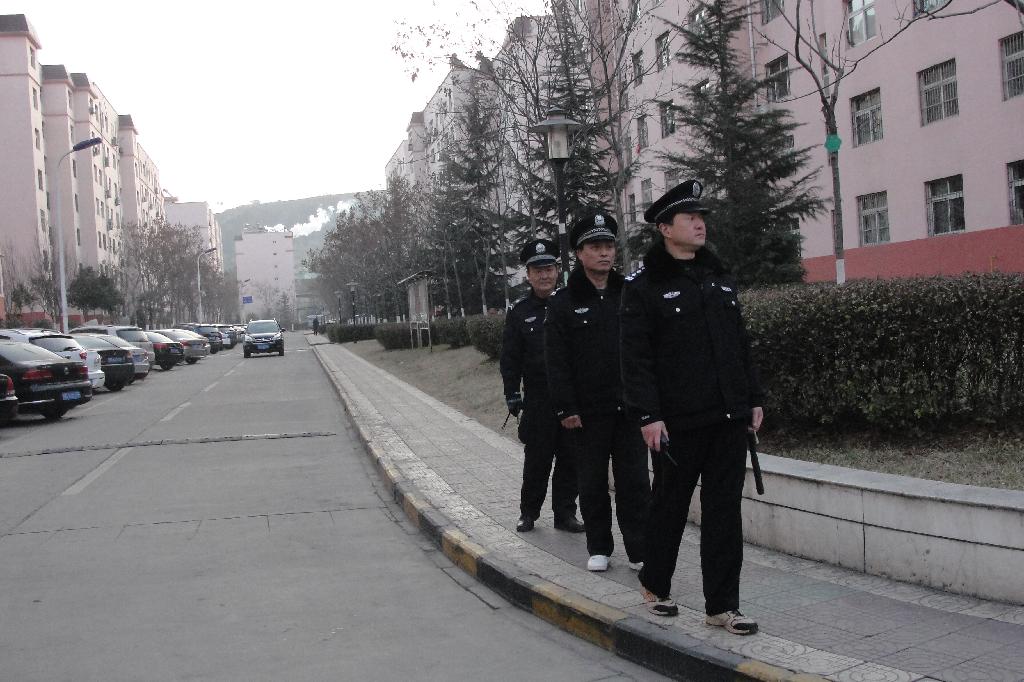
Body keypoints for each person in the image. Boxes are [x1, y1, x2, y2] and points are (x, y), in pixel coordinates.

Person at [620, 180, 764, 633]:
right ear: (665, 228)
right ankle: (655, 583)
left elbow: (739, 344)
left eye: (701, 217)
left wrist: (753, 398)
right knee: (670, 506)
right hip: (677, 422)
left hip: (727, 417)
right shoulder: (644, 287)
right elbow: (636, 359)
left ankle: (722, 606)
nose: (700, 224)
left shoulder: (719, 278)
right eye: (689, 218)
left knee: (724, 512)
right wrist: (648, 415)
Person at [544, 213, 651, 572]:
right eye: (595, 247)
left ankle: (639, 548)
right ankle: (599, 546)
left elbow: (646, 349)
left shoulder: (629, 293)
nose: (604, 253)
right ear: (579, 253)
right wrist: (565, 407)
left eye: (608, 246)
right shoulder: (563, 302)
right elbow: (556, 360)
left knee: (635, 481)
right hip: (587, 413)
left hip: (629, 408)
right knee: (591, 482)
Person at [500, 239, 584, 534]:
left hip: (571, 398)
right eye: (538, 271)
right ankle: (528, 513)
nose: (544, 275)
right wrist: (512, 393)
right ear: (528, 275)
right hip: (538, 399)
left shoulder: (571, 304)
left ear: (557, 271)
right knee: (537, 460)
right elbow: (510, 358)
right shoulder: (519, 311)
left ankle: (565, 514)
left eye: (548, 269)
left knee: (570, 459)